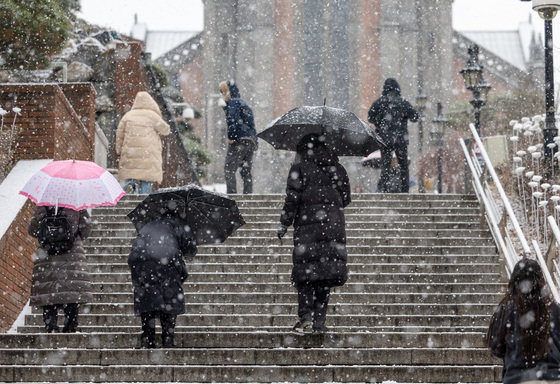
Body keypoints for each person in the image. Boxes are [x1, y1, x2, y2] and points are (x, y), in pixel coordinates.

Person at [277, 134, 351, 334]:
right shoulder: (338, 169)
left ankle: (305, 318)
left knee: (306, 274)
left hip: (306, 228)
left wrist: (284, 223)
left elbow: (292, 199)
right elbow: (346, 199)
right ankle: (319, 321)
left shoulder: (299, 168)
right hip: (333, 229)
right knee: (325, 275)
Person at [128, 212, 197, 348]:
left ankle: (148, 338)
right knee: (169, 300)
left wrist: (138, 277)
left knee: (148, 302)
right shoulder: (179, 224)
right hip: (169, 267)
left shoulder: (146, 226)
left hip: (145, 269)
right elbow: (191, 250)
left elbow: (132, 257)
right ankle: (168, 338)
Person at [487, 258, 560, 383]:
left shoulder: (506, 309)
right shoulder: (553, 309)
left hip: (518, 377)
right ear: (540, 280)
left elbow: (496, 347)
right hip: (552, 377)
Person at [28, 206, 93, 333]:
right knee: (72, 292)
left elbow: (32, 230)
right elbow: (86, 229)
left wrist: (49, 231)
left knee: (48, 292)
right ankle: (70, 327)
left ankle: (51, 327)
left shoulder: (42, 206)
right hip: (72, 255)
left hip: (47, 256)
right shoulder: (77, 205)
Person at [368, 78, 418, 193]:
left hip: (385, 139)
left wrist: (379, 122)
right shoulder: (403, 102)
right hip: (401, 139)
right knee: (403, 165)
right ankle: (405, 190)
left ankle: (384, 189)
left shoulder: (379, 102)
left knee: (385, 165)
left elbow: (370, 117)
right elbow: (415, 117)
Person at [116, 91, 170, 194]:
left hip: (130, 153)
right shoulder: (152, 116)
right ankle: (143, 199)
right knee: (146, 179)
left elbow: (120, 135)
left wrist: (119, 150)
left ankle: (129, 189)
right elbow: (165, 130)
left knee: (130, 174)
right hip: (147, 155)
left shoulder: (128, 116)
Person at [219, 80, 258, 194]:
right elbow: (252, 126)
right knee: (246, 171)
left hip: (239, 140)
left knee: (229, 169)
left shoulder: (233, 103)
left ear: (228, 92)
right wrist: (255, 142)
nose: (222, 95)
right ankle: (248, 197)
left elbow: (232, 120)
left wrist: (231, 137)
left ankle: (232, 197)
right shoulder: (244, 104)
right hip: (250, 142)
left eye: (223, 92)